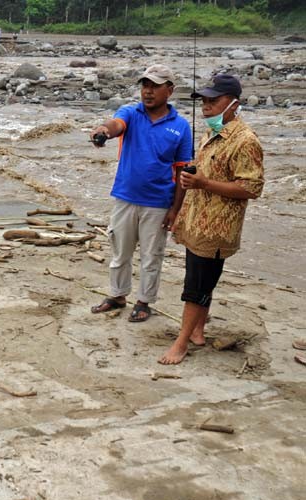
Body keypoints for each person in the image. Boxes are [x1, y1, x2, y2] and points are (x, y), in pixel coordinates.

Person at [159, 74, 264, 365]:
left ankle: (180, 344)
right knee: (203, 281)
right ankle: (198, 332)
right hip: (197, 222)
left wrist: (205, 184)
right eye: (204, 101)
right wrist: (188, 191)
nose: (206, 107)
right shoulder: (209, 135)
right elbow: (204, 177)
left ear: (233, 104)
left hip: (217, 228)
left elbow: (251, 188)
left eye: (213, 101)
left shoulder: (246, 141)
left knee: (196, 286)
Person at [89, 65, 193, 323]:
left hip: (158, 204)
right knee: (120, 252)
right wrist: (102, 131)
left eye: (155, 86)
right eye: (145, 85)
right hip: (125, 197)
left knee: (151, 257)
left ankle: (144, 301)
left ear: (169, 90)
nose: (148, 91)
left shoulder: (181, 127)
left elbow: (183, 172)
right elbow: (115, 124)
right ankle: (117, 295)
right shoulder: (131, 113)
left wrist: (175, 210)